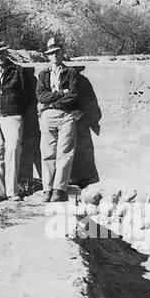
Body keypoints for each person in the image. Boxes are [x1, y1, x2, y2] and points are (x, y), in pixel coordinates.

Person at [36, 36, 99, 202]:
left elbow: (73, 95)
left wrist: (54, 100)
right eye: (51, 53)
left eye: (58, 52)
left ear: (63, 53)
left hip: (66, 115)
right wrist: (60, 94)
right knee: (47, 153)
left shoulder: (71, 73)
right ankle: (47, 189)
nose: (55, 55)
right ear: (47, 56)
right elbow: (41, 96)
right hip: (48, 115)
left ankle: (59, 189)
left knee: (64, 153)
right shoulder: (43, 74)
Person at [0, 38, 32, 202]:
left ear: (6, 53)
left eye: (1, 53)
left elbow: (27, 95)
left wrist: (17, 110)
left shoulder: (18, 71)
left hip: (13, 117)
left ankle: (12, 191)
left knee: (13, 151)